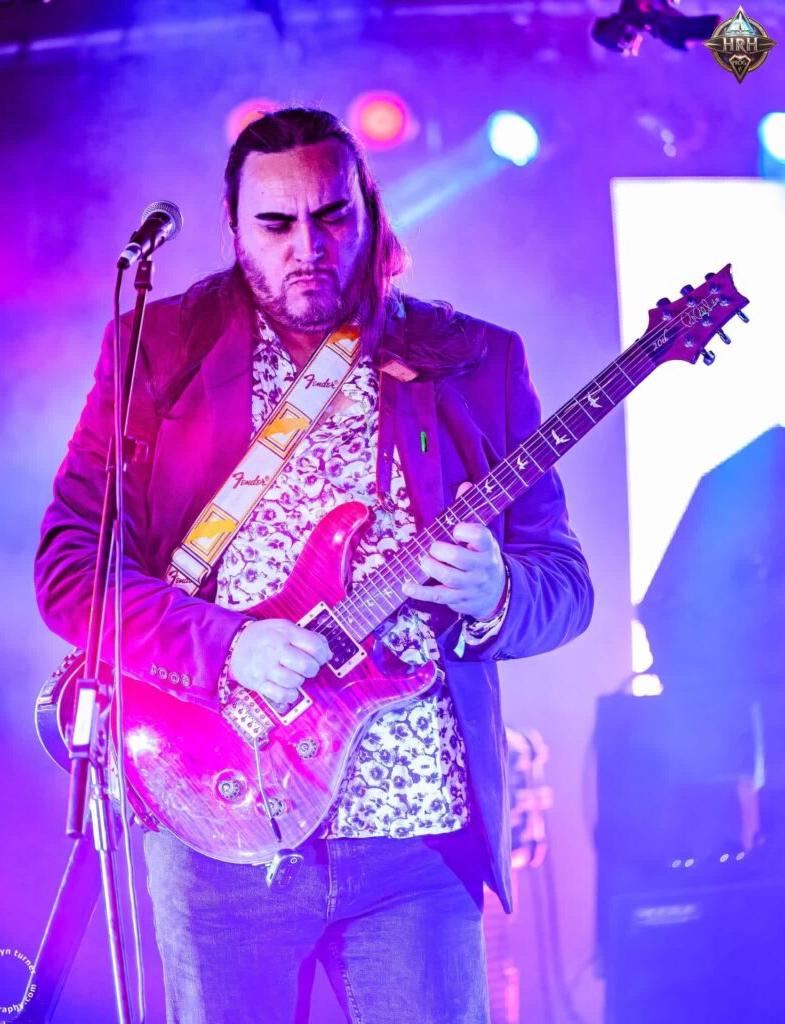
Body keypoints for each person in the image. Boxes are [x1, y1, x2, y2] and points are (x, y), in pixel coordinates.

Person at [35, 107, 593, 1024]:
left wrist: (499, 592)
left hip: (417, 832)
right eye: (276, 224)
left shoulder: (472, 359)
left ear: (370, 210)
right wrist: (228, 645)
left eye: (332, 216)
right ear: (232, 227)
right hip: (216, 821)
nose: (309, 247)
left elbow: (565, 586)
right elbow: (70, 570)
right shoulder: (158, 351)